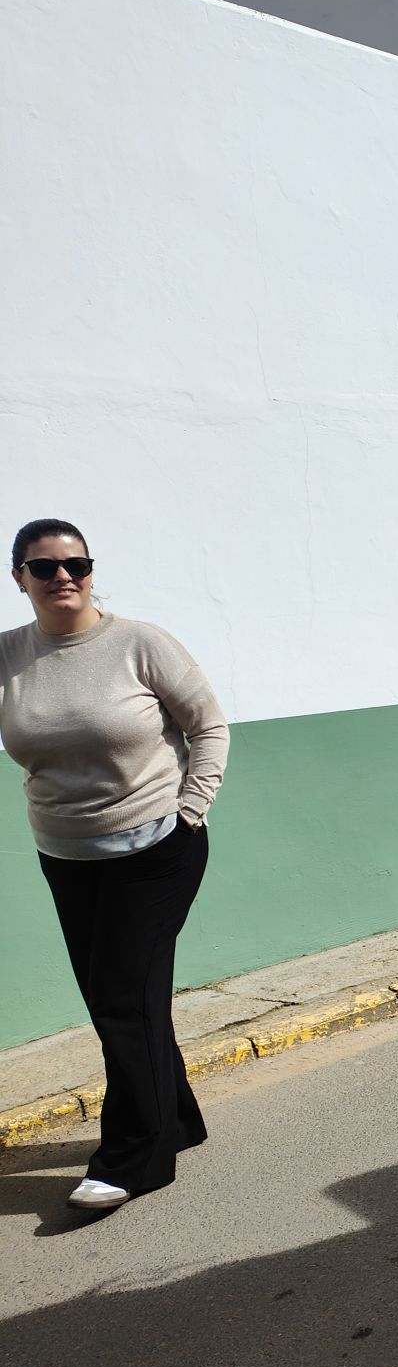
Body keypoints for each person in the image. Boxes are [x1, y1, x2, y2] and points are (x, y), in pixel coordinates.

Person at [1, 519, 230, 1211]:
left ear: (92, 571)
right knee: (129, 997)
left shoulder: (139, 643)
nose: (63, 576)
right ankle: (178, 1119)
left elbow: (208, 724)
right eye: (44, 568)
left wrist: (192, 809)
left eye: (77, 563)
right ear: (20, 578)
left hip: (157, 849)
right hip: (67, 856)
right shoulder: (10, 656)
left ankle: (136, 1157)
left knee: (119, 1001)